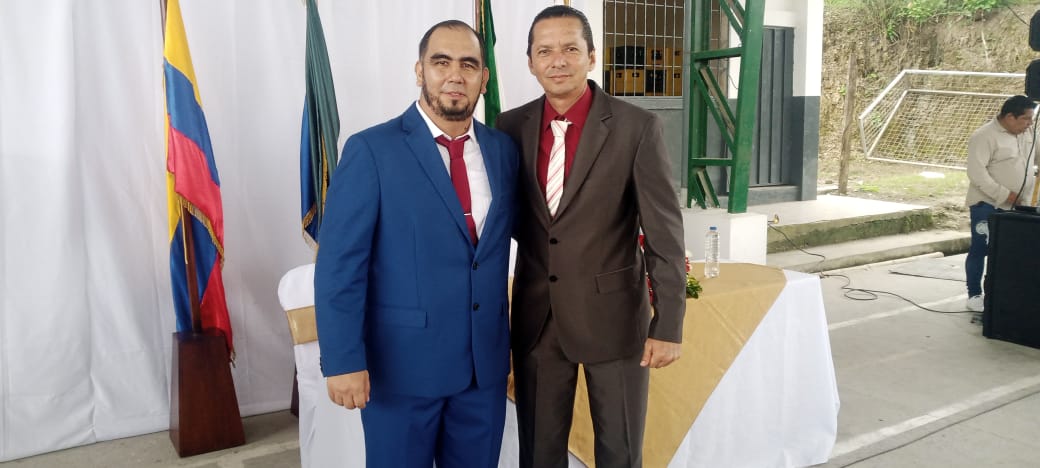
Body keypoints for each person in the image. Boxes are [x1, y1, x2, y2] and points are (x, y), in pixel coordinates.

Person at [313, 20, 518, 468]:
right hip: (400, 371)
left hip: (483, 373)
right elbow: (339, 266)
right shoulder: (372, 150)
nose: (455, 75)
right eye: (441, 62)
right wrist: (343, 360)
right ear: (420, 70)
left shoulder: (503, 151)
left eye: (469, 64)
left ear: (484, 78)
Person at [496, 6, 687, 467]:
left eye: (570, 48)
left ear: (592, 56)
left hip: (615, 319)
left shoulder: (636, 127)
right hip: (537, 320)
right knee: (539, 453)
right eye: (545, 51)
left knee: (619, 450)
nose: (557, 60)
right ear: (530, 62)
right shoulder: (509, 127)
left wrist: (668, 324)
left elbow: (664, 233)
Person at [964, 94, 1036, 318]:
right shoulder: (984, 136)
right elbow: (977, 173)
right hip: (987, 204)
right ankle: (974, 295)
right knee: (981, 249)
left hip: (1019, 206)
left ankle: (1002, 294)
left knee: (1011, 252)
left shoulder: (1027, 133)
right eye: (1026, 119)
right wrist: (1005, 195)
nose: (1030, 123)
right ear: (1010, 117)